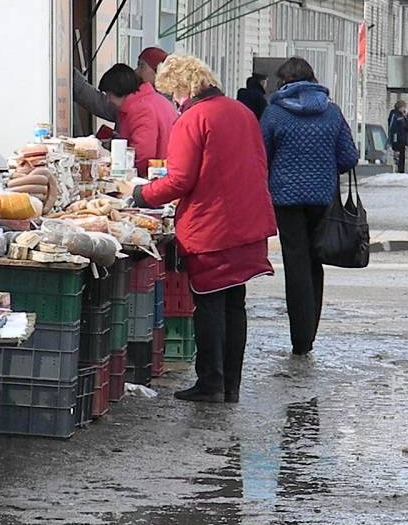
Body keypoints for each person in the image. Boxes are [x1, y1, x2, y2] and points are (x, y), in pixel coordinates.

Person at [132, 55, 277, 403]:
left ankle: (211, 382)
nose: (172, 100)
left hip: (212, 227)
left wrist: (141, 194)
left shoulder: (194, 118)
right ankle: (231, 385)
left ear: (182, 87)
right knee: (235, 303)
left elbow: (179, 179)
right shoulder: (242, 112)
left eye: (171, 93)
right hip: (249, 222)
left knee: (210, 305)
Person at [260, 57, 359, 356]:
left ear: (284, 82)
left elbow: (260, 154)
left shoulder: (275, 113)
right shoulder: (331, 112)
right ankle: (310, 335)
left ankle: (299, 339)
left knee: (296, 264)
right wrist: (323, 168)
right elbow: (349, 157)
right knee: (316, 262)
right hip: (323, 198)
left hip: (286, 200)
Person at [98, 63, 177, 177]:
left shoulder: (140, 109)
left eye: (109, 95)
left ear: (119, 91)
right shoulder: (152, 100)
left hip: (155, 178)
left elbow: (142, 154)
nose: (108, 100)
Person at [73, 46, 170, 124]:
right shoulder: (162, 104)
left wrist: (72, 76)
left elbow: (101, 104)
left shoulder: (143, 107)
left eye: (142, 66)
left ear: (159, 71)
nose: (136, 71)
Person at [387, 100, 408, 173]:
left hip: (402, 139)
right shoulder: (394, 114)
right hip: (397, 139)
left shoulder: (402, 115)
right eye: (404, 107)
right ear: (400, 107)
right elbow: (392, 127)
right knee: (397, 155)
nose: (405, 109)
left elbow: (406, 126)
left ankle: (401, 170)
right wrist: (393, 139)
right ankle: (398, 169)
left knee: (402, 156)